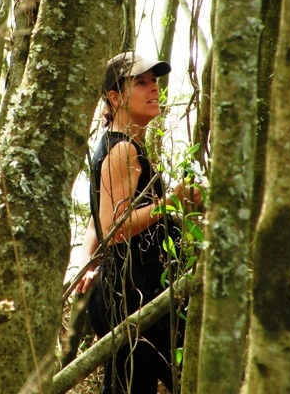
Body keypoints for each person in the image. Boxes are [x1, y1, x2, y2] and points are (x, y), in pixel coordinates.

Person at [74, 51, 199, 394]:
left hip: (121, 290)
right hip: (132, 292)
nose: (153, 88)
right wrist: (172, 201)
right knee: (194, 378)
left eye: (154, 81)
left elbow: (94, 223)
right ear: (114, 98)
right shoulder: (122, 150)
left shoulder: (120, 145)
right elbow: (115, 226)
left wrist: (86, 264)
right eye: (140, 83)